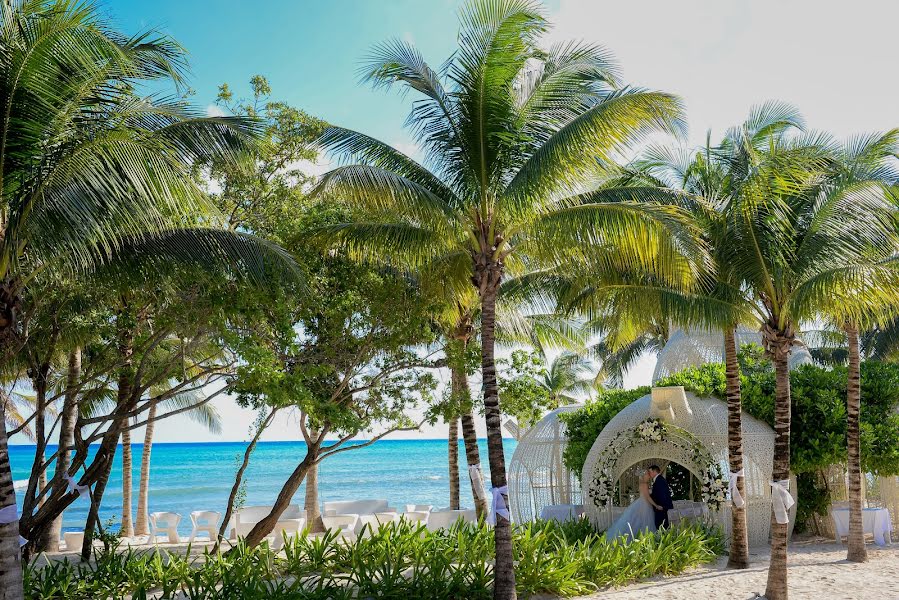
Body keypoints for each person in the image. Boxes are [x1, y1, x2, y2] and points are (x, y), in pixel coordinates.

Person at [603, 472, 657, 541]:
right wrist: (656, 505)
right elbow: (648, 497)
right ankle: (643, 538)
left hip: (642, 503)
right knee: (644, 521)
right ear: (644, 476)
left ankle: (640, 537)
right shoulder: (644, 484)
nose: (649, 476)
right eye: (647, 475)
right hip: (644, 504)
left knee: (638, 521)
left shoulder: (642, 484)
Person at [647, 465, 674, 530]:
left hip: (661, 508)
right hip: (659, 508)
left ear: (654, 471)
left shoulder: (660, 480)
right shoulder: (659, 480)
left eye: (650, 472)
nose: (649, 474)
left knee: (661, 527)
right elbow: (658, 494)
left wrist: (662, 506)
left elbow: (663, 495)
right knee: (661, 526)